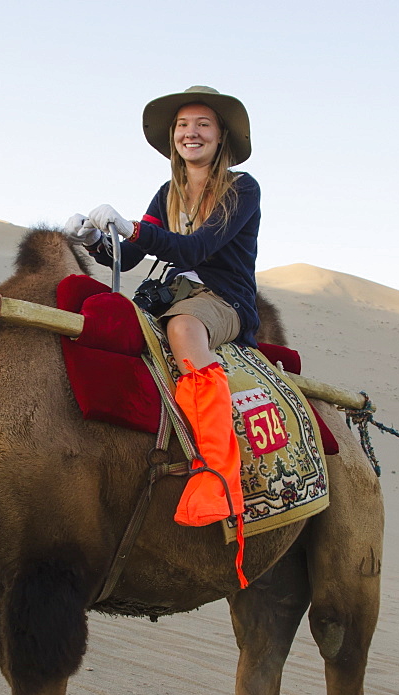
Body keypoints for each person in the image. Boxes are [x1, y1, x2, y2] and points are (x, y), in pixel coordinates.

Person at [65, 85, 259, 536]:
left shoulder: (242, 189)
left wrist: (132, 228)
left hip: (222, 300)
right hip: (175, 293)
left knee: (185, 330)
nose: (191, 133)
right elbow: (129, 260)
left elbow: (197, 247)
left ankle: (217, 472)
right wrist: (97, 240)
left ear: (220, 136)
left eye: (203, 125)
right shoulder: (167, 193)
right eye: (183, 125)